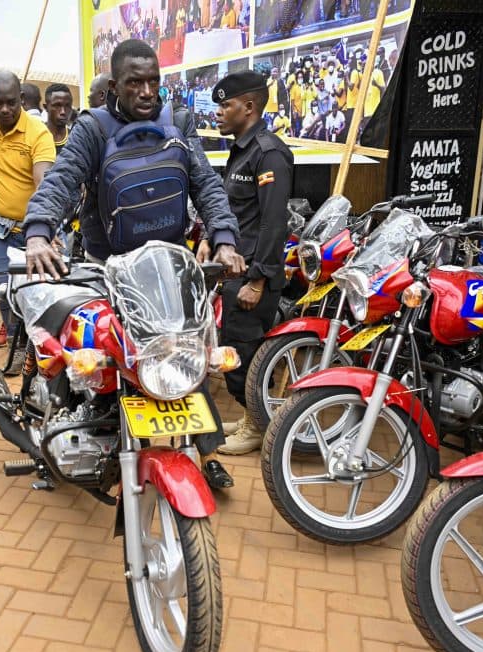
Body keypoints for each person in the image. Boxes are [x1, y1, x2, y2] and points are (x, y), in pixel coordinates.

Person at [23, 40, 245, 486]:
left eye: (153, 82)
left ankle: (203, 454)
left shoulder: (178, 121)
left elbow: (206, 185)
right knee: (91, 353)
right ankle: (54, 436)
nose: (147, 92)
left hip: (167, 266)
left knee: (185, 354)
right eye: (134, 83)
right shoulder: (93, 129)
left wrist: (223, 239)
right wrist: (38, 231)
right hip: (108, 264)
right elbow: (62, 180)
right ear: (113, 87)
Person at [204, 71, 293, 466]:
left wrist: (257, 280)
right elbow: (237, 211)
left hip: (253, 273)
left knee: (244, 350)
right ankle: (250, 415)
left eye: (226, 105)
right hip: (235, 269)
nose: (220, 113)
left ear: (250, 107)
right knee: (238, 346)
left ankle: (256, 425)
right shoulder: (242, 149)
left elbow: (275, 222)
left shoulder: (268, 152)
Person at [0, 70, 56, 363]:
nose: (4, 109)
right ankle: (19, 347)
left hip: (33, 230)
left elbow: (43, 181)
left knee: (39, 292)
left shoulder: (38, 133)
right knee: (5, 292)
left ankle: (40, 347)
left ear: (21, 99)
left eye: (11, 103)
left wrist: (42, 230)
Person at [44, 83, 74, 155]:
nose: (63, 112)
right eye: (57, 105)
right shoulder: (35, 136)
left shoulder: (75, 139)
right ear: (46, 107)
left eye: (67, 106)